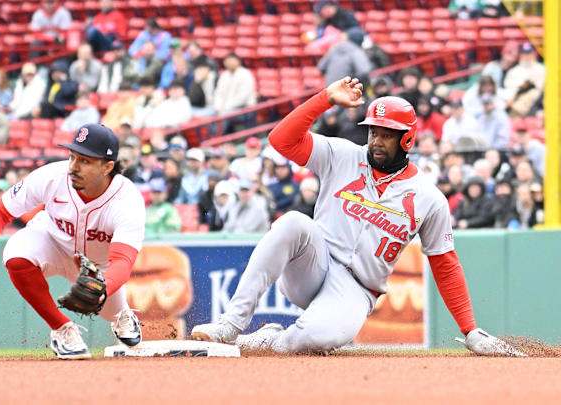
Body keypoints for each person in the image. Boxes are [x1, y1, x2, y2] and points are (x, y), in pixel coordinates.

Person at [191, 77, 523, 357]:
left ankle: (268, 340)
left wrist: (469, 330)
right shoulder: (343, 155)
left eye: (387, 134)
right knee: (293, 221)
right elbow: (281, 140)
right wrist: (324, 100)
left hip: (355, 287)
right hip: (314, 262)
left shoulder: (428, 197)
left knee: (310, 341)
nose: (377, 140)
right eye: (373, 131)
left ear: (407, 139)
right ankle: (231, 325)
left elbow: (445, 263)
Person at [0, 123, 145, 359]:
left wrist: (103, 289)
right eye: (72, 156)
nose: (74, 166)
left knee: (110, 310)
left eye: (85, 161)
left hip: (99, 267)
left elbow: (123, 261)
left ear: (107, 167)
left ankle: (122, 314)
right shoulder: (52, 176)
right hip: (51, 242)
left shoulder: (127, 200)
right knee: (15, 254)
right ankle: (62, 329)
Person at [504, 42, 545, 117]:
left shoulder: (542, 69)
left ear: (534, 54)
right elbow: (509, 92)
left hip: (538, 106)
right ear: (521, 55)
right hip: (517, 107)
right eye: (524, 53)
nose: (527, 56)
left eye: (529, 53)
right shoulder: (513, 71)